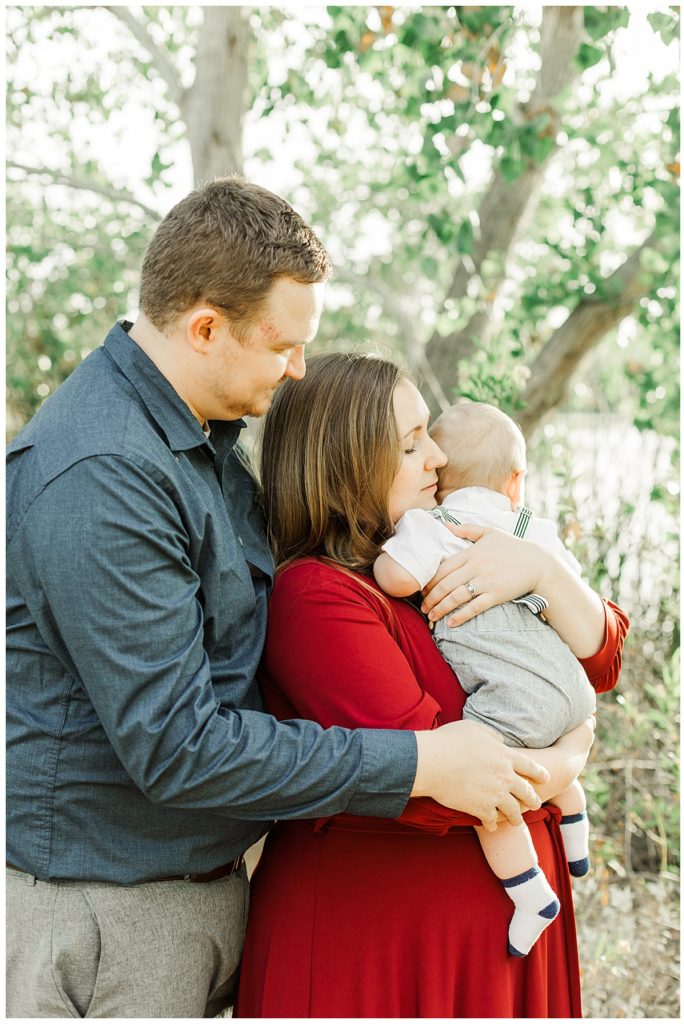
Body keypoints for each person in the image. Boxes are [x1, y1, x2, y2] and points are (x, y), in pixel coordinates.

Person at [6, 177, 558, 1019]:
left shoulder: (201, 441)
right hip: (111, 913)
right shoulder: (106, 475)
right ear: (204, 327)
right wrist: (420, 762)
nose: (298, 368)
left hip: (199, 896)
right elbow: (176, 745)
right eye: (282, 346)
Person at [236, 352, 629, 1018]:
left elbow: (600, 663)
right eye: (414, 442)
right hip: (382, 940)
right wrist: (571, 757)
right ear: (347, 459)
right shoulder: (319, 595)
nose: (440, 458)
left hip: (491, 940)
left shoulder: (436, 557)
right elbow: (447, 787)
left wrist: (544, 574)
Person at [374, 400, 598, 957]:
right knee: (546, 746)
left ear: (439, 475)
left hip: (514, 697)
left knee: (486, 785)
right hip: (569, 683)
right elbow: (581, 602)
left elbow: (399, 578)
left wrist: (384, 558)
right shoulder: (530, 528)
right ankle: (574, 828)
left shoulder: (436, 523)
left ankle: (529, 893)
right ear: (515, 481)